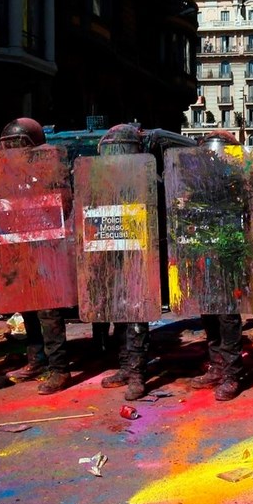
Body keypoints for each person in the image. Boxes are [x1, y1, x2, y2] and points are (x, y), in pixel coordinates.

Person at [0, 118, 81, 396]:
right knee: (27, 304)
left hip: (47, 249)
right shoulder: (6, 173)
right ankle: (37, 359)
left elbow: (63, 206)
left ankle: (59, 368)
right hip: (19, 247)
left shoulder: (50, 169)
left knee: (48, 310)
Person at [182, 130, 249, 402]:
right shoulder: (199, 182)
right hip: (205, 251)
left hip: (229, 254)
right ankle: (217, 365)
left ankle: (232, 373)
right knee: (209, 311)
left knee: (228, 315)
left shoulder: (235, 180)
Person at [94, 123, 154, 402]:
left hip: (139, 261)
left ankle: (138, 374)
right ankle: (125, 367)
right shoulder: (101, 183)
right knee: (118, 315)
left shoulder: (149, 180)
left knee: (136, 321)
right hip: (113, 258)